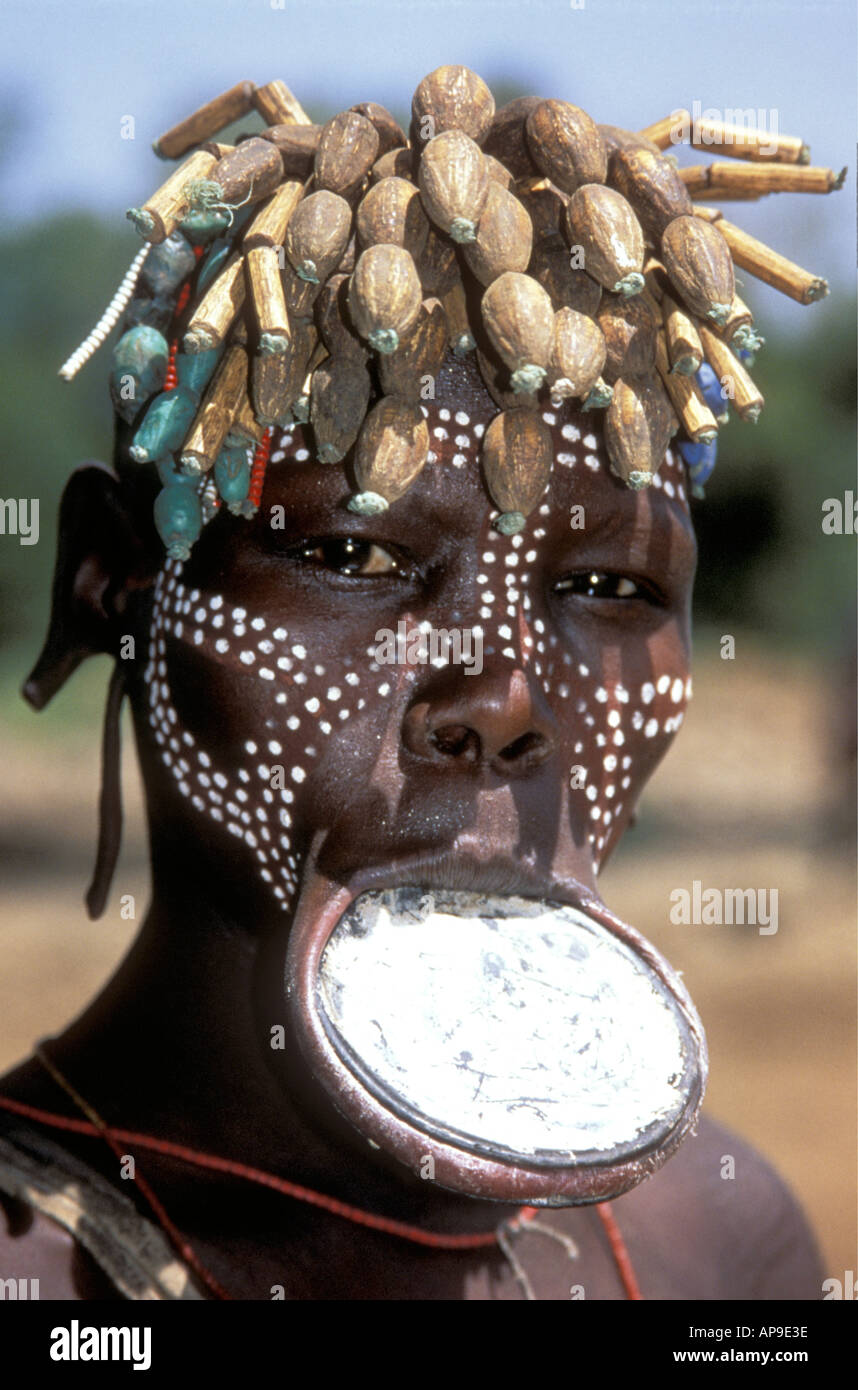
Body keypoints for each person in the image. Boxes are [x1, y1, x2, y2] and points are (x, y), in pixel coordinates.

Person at [0, 67, 836, 1300]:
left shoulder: (722, 1249)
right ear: (111, 586)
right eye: (352, 557)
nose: (502, 700)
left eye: (610, 589)